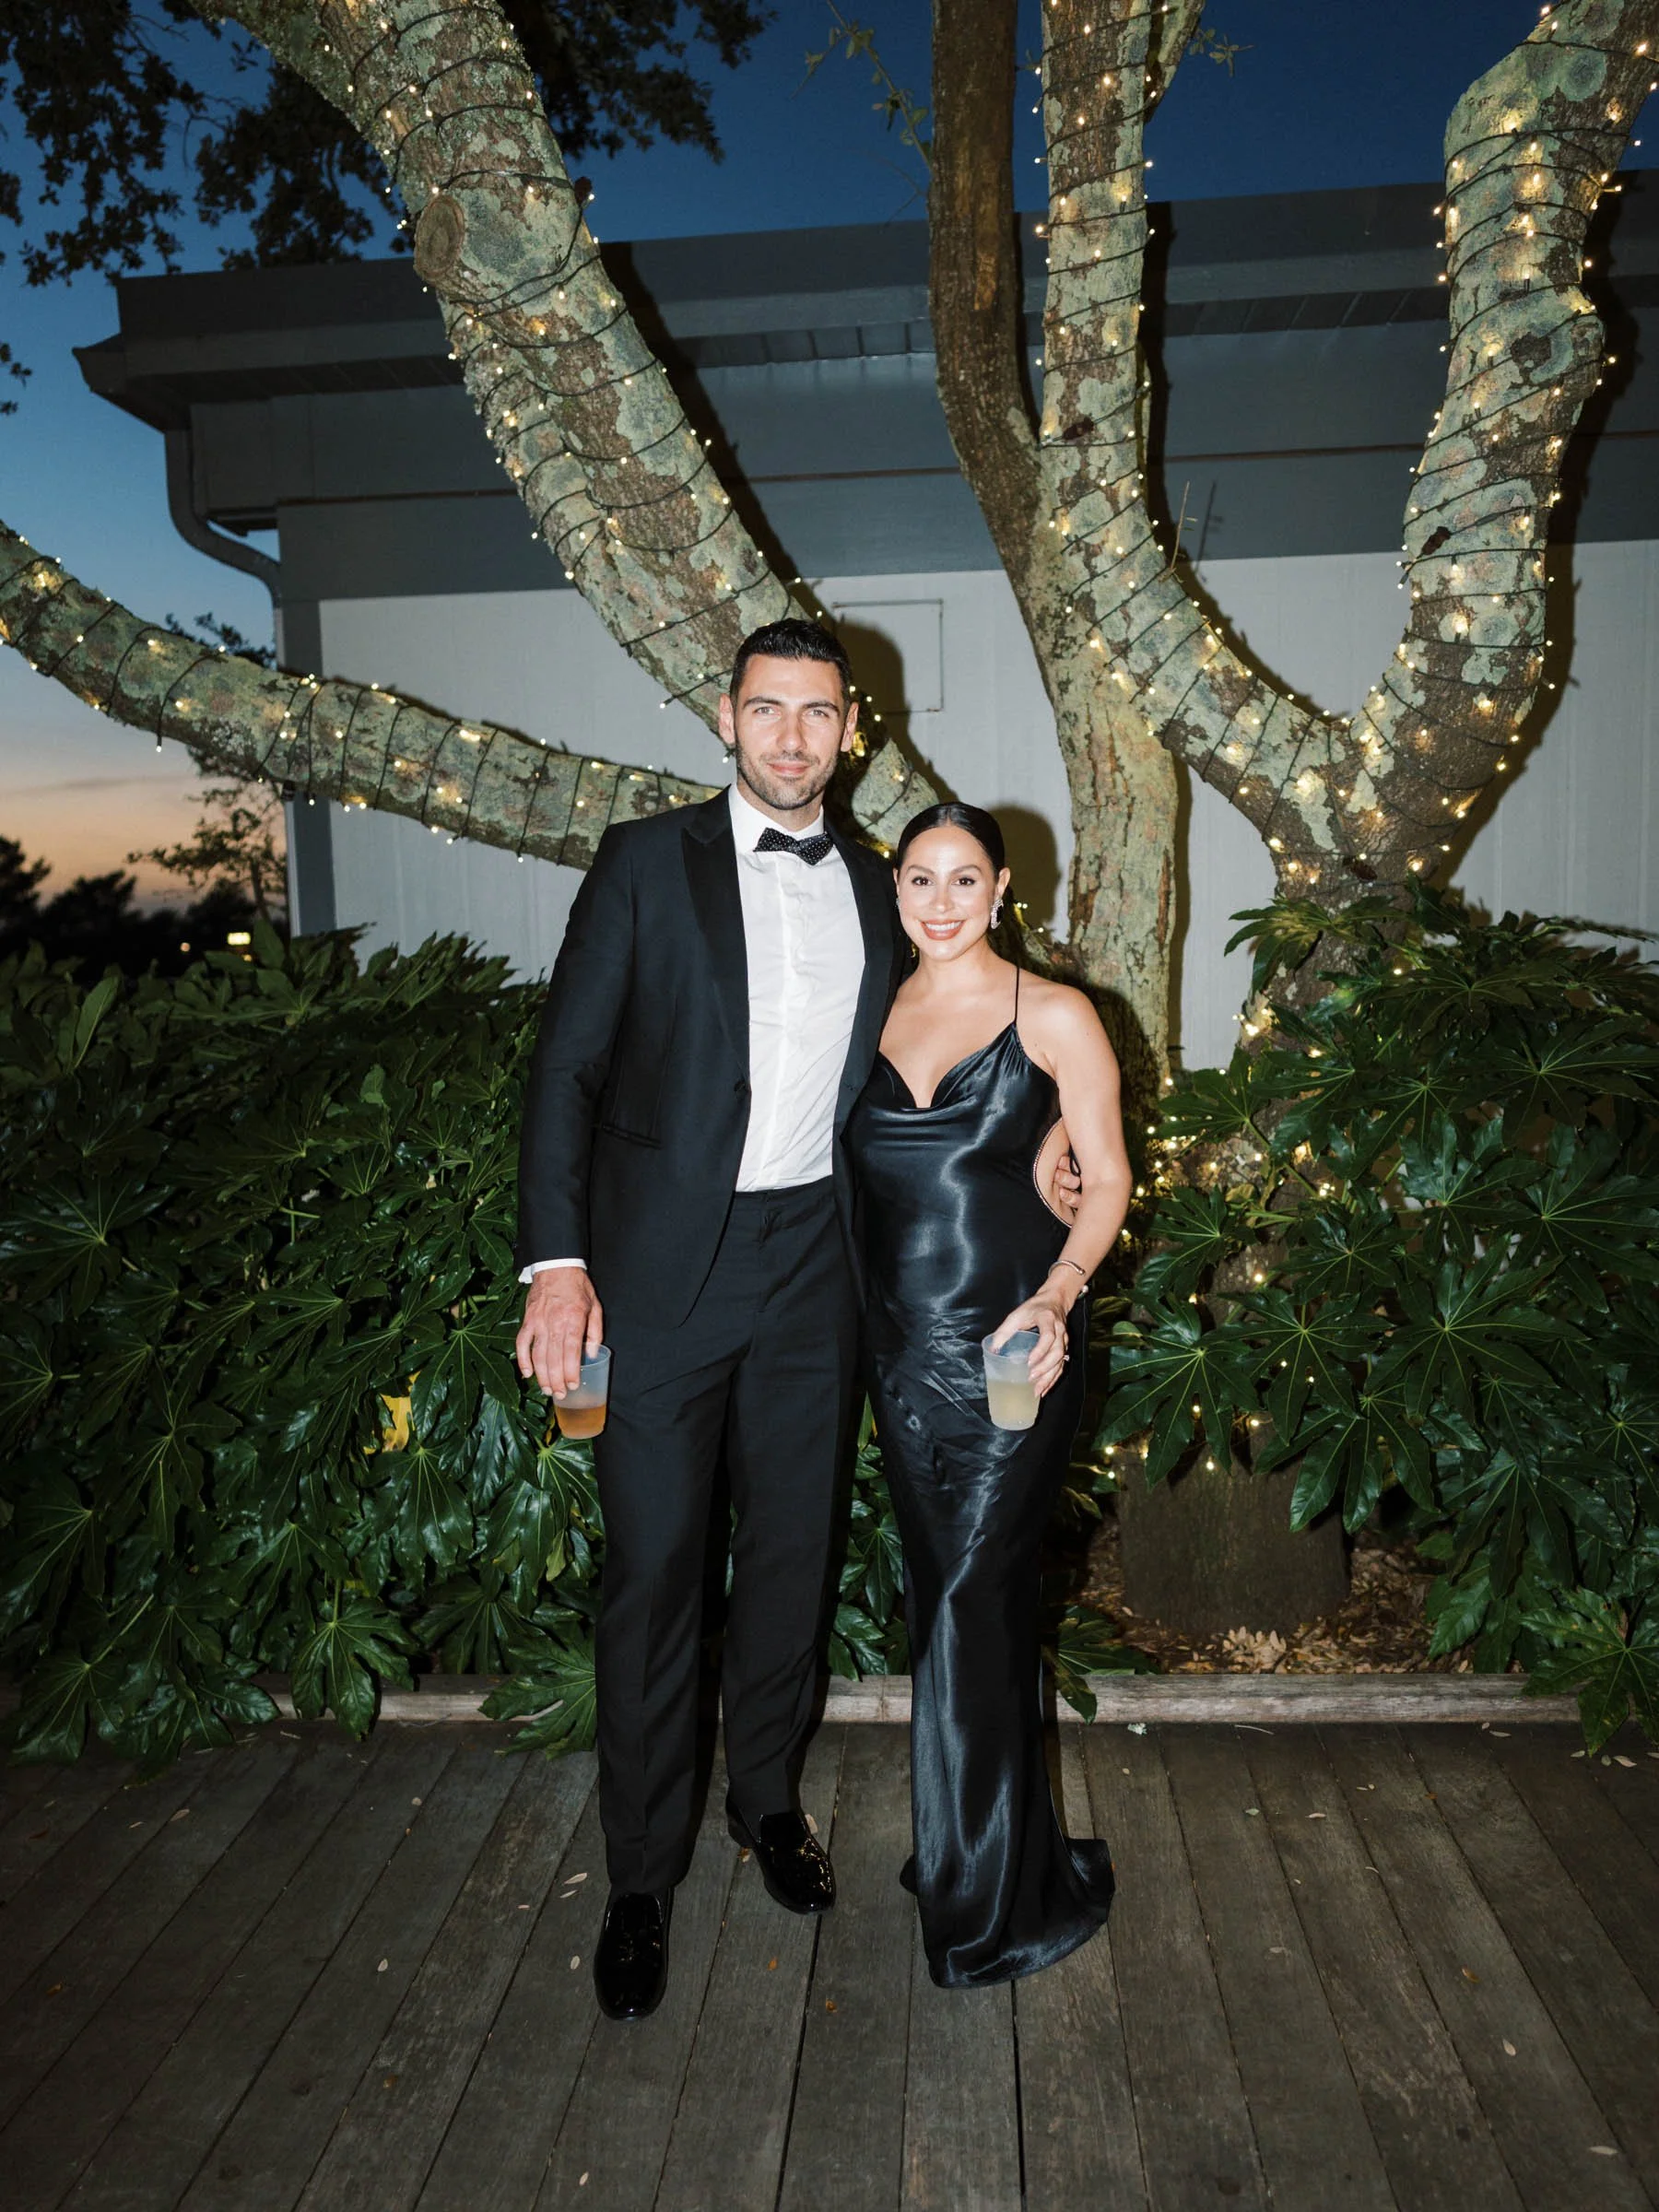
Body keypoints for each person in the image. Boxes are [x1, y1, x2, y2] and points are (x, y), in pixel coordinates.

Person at [513, 618, 909, 2023]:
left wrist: (1054, 1149)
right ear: (725, 720)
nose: (792, 737)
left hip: (818, 1267)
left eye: (817, 714)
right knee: (658, 1573)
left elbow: (944, 1059)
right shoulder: (643, 864)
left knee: (793, 1556)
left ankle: (765, 1808)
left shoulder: (875, 884)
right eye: (767, 710)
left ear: (850, 727)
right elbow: (564, 1073)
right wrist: (556, 1268)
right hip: (657, 1276)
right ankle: (637, 1879)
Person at [844, 801, 1134, 1987]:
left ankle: (983, 1905)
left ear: (1004, 889)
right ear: (898, 888)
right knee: (961, 1600)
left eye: (967, 880)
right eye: (922, 878)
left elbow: (1106, 1180)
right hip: (899, 1357)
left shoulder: (1054, 1014)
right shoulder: (863, 1011)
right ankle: (995, 1847)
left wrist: (1060, 1297)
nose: (943, 901)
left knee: (969, 1596)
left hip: (1019, 1348)